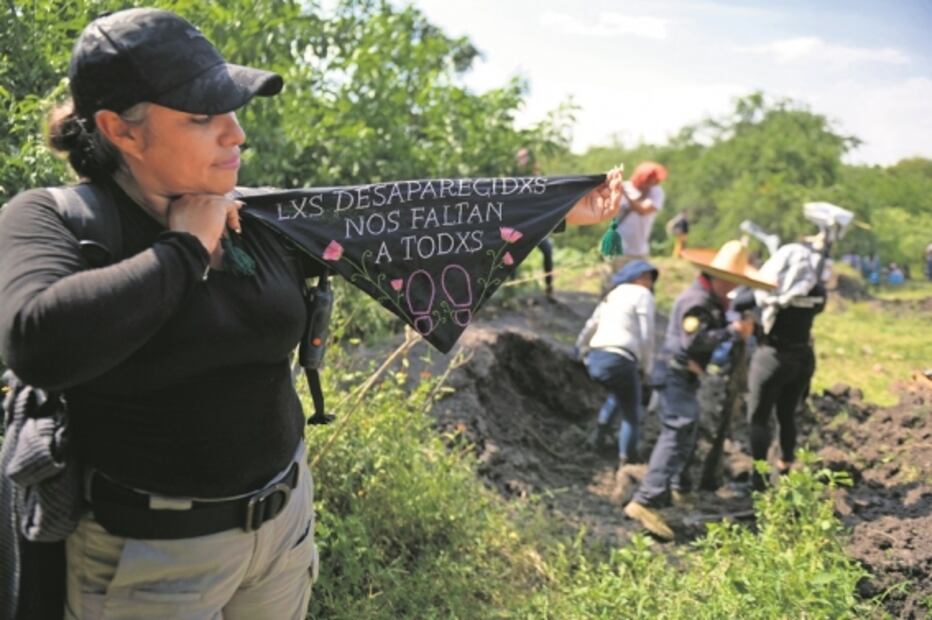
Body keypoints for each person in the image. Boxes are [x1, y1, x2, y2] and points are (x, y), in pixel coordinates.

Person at [0, 9, 620, 618]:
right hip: (151, 563)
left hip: (281, 534)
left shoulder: (260, 216)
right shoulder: (52, 221)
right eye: (203, 117)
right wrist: (186, 246)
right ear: (121, 129)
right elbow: (36, 342)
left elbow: (410, 216)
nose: (236, 133)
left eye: (233, 111)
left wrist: (560, 208)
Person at [623, 241, 774, 540]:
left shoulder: (711, 301)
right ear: (716, 277)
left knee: (686, 430)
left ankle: (673, 490)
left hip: (685, 375)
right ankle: (646, 499)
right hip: (676, 372)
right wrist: (731, 332)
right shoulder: (698, 302)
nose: (732, 289)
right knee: (679, 428)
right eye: (730, 282)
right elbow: (693, 341)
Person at [744, 240, 827, 491]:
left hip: (772, 357)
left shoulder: (771, 292)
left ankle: (758, 479)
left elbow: (743, 301)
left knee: (758, 418)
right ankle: (785, 467)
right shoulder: (816, 291)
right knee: (787, 414)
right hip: (803, 358)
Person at [577, 260, 658, 466]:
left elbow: (592, 324)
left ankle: (598, 438)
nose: (648, 283)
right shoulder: (642, 295)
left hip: (596, 358)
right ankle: (627, 460)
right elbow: (647, 334)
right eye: (645, 277)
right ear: (634, 277)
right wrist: (647, 367)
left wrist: (580, 348)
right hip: (620, 359)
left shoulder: (613, 294)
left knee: (618, 393)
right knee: (632, 413)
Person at [515, 146, 556, 301]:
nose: (523, 160)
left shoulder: (535, 177)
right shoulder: (512, 176)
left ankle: (549, 289)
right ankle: (511, 291)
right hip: (517, 224)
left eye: (526, 157)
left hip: (534, 224)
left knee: (547, 250)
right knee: (509, 255)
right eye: (521, 157)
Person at [614, 161, 667, 260]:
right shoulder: (624, 187)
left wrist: (626, 195)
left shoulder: (655, 191)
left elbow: (643, 210)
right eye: (649, 180)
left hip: (640, 250)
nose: (652, 183)